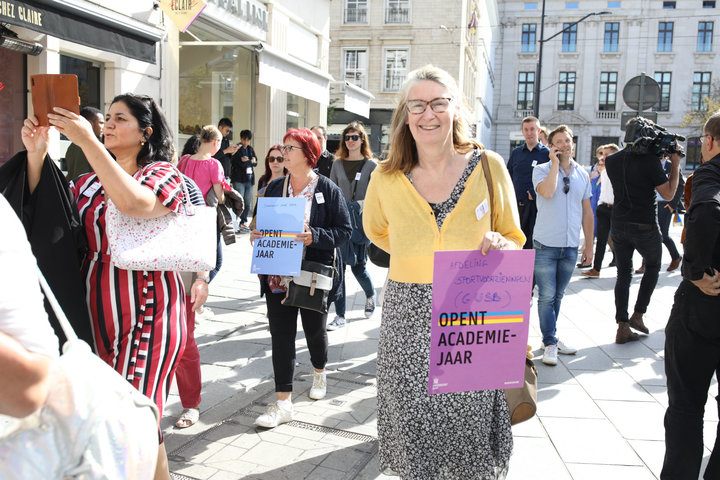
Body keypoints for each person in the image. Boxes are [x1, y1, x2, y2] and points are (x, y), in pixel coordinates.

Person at [363, 64, 523, 479]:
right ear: (404, 114)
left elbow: (512, 234)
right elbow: (376, 231)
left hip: (472, 308)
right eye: (417, 105)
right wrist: (416, 254)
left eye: (438, 103)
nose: (427, 114)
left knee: (468, 424)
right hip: (407, 312)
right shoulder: (386, 176)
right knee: (413, 421)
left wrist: (501, 246)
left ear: (456, 109)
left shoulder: (489, 166)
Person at [20, 93, 189, 480]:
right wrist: (36, 153)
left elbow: (135, 205)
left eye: (119, 119)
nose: (108, 124)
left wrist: (88, 142)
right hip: (93, 311)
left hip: (148, 310)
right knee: (132, 415)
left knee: (129, 415)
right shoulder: (85, 181)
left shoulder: (162, 174)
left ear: (145, 133)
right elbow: (44, 213)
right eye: (107, 118)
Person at [250, 128, 351, 429]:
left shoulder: (328, 190)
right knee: (280, 337)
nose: (283, 152)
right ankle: (283, 402)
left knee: (314, 332)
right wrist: (256, 235)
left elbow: (345, 232)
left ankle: (319, 371)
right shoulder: (274, 187)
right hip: (277, 276)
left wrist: (314, 236)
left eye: (290, 148)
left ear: (308, 154)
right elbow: (260, 224)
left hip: (311, 276)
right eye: (283, 147)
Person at [661, 111, 720, 480]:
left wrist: (694, 270)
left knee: (685, 407)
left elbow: (708, 211)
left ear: (709, 141)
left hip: (704, 305)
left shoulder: (711, 173)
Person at [605, 117, 682, 344]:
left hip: (618, 223)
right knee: (653, 265)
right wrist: (674, 163)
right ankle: (638, 315)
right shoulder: (650, 162)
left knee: (623, 274)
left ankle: (622, 326)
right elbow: (668, 194)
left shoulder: (611, 160)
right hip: (645, 224)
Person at [533, 125, 593, 366]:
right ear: (551, 146)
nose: (564, 145)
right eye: (558, 142)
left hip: (569, 245)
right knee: (546, 296)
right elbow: (547, 193)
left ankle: (551, 338)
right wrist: (555, 165)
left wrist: (589, 246)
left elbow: (587, 212)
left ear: (573, 143)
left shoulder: (582, 174)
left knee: (558, 295)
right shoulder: (541, 170)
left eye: (567, 141)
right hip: (545, 244)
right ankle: (550, 343)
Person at [327, 121, 377, 330]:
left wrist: (358, 205)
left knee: (358, 268)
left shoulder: (372, 165)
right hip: (340, 222)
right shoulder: (337, 164)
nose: (350, 141)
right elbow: (331, 191)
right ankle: (340, 315)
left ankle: (370, 294)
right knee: (339, 269)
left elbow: (377, 195)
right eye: (347, 137)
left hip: (360, 222)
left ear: (362, 139)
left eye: (354, 137)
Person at [178, 125, 228, 284]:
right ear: (215, 142)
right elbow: (220, 197)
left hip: (185, 219)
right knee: (215, 262)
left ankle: (188, 294)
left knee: (188, 260)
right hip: (205, 220)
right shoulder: (214, 164)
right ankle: (198, 291)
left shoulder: (184, 160)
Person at [506, 116, 550, 249]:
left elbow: (551, 179)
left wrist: (536, 193)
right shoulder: (516, 153)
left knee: (533, 242)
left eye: (532, 129)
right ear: (522, 131)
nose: (529, 133)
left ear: (539, 131)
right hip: (517, 206)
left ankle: (532, 269)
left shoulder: (546, 154)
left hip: (537, 207)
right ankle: (517, 269)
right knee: (517, 240)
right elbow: (508, 177)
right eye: (526, 130)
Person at [583, 144, 619, 277]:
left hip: (616, 209)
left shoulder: (620, 171)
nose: (603, 158)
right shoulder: (603, 172)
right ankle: (596, 269)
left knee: (619, 239)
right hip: (603, 207)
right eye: (603, 154)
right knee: (601, 240)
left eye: (607, 155)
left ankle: (626, 267)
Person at [64, 106, 104, 180]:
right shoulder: (88, 145)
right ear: (90, 124)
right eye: (101, 123)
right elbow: (82, 176)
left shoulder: (74, 145)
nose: (103, 127)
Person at [231, 129, 257, 233]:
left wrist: (249, 161)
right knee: (238, 201)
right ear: (241, 138)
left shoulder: (250, 149)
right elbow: (238, 163)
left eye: (247, 140)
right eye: (244, 139)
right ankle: (234, 221)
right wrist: (250, 161)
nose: (245, 142)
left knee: (247, 202)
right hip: (239, 179)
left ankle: (243, 221)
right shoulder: (237, 148)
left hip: (249, 180)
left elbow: (256, 162)